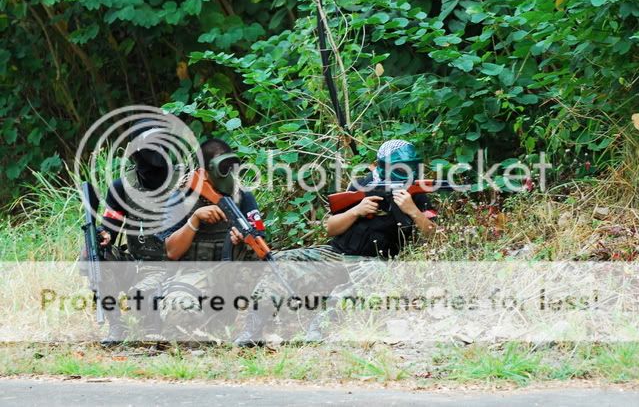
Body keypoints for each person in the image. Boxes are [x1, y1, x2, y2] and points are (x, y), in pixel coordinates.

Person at [234, 140, 438, 346]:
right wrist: (356, 211)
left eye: (410, 167)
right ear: (381, 166)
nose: (405, 172)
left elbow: (432, 234)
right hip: (336, 254)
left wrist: (412, 210)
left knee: (378, 271)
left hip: (373, 262)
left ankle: (320, 325)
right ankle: (253, 329)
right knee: (281, 260)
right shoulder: (361, 186)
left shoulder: (416, 194)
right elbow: (331, 228)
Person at [155, 138, 266, 339]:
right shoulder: (181, 198)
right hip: (193, 275)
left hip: (232, 276)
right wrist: (194, 220)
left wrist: (241, 241)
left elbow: (260, 248)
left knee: (276, 288)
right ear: (204, 173)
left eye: (232, 168)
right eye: (222, 169)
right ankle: (205, 326)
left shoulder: (243, 197)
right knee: (177, 311)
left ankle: (248, 327)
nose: (229, 175)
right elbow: (172, 251)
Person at [93, 120, 173, 344]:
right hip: (140, 264)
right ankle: (117, 326)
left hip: (178, 266)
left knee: (146, 298)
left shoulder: (185, 182)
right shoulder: (122, 187)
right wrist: (102, 237)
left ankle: (157, 320)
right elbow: (110, 228)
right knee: (95, 256)